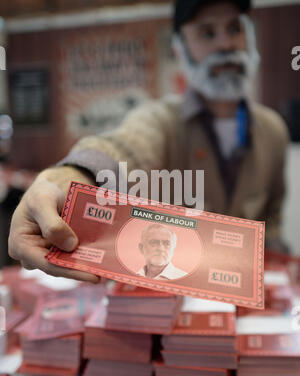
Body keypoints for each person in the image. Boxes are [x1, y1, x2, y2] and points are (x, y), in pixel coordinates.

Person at [8, 0, 289, 283]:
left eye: (234, 28)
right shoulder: (161, 120)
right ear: (180, 49)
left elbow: (273, 214)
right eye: (206, 33)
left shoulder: (273, 130)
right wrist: (66, 179)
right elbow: (127, 145)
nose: (226, 44)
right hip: (170, 294)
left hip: (249, 295)